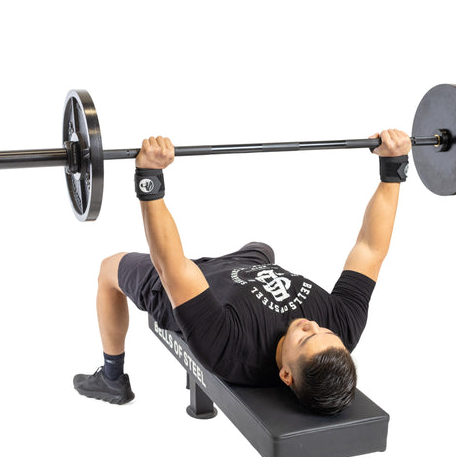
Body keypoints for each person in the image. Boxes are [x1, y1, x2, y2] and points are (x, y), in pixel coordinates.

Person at [74, 129, 411, 415]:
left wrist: (149, 178)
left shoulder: (232, 349)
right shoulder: (342, 330)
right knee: (263, 246)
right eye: (326, 332)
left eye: (305, 336)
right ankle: (249, 262)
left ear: (286, 376)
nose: (313, 324)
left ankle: (112, 379)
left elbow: (173, 266)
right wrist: (392, 167)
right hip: (247, 268)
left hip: (189, 289)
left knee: (108, 270)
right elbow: (370, 249)